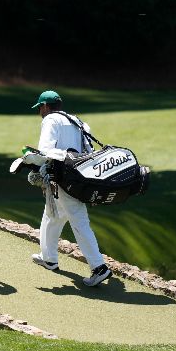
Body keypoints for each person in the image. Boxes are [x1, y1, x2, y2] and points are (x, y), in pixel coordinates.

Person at [29, 90, 112, 286]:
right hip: (79, 179)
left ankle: (99, 267)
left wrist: (30, 161)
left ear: (45, 106)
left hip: (63, 178)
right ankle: (48, 258)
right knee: (52, 214)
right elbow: (90, 152)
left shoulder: (50, 120)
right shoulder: (78, 121)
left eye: (40, 108)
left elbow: (46, 150)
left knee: (79, 221)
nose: (40, 112)